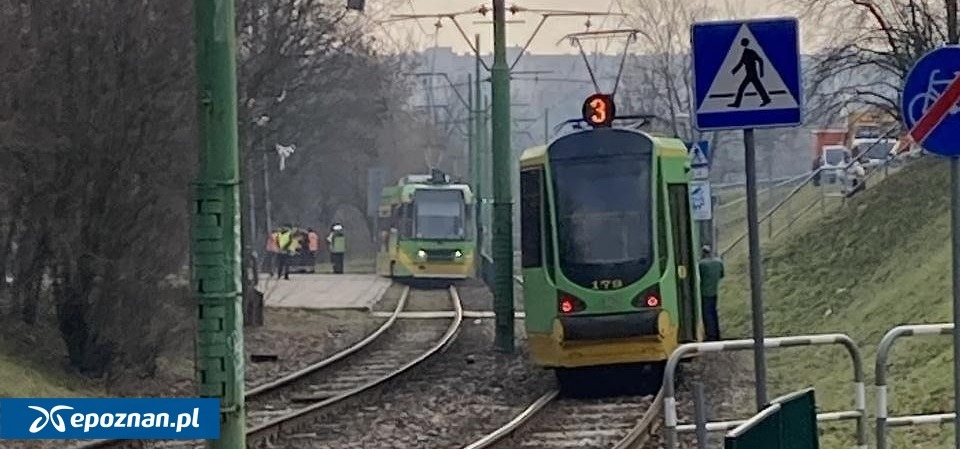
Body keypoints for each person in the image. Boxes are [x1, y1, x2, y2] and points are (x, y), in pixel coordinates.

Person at [698, 245, 724, 341]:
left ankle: (711, 335)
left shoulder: (702, 264)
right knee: (713, 312)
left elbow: (698, 276)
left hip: (704, 292)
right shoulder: (718, 262)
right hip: (714, 291)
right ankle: (717, 334)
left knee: (707, 314)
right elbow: (722, 275)